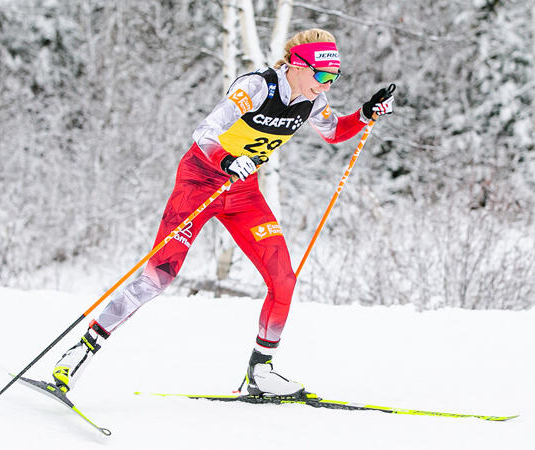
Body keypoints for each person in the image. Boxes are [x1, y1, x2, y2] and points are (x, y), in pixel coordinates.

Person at [51, 28, 395, 398]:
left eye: (334, 77)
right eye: (322, 75)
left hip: (242, 195)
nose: (326, 85)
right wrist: (228, 159)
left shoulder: (312, 101)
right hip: (199, 183)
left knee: (283, 279)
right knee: (159, 276)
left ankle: (261, 371)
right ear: (297, 64)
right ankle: (78, 354)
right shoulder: (257, 87)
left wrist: (364, 113)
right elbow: (205, 132)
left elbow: (333, 132)